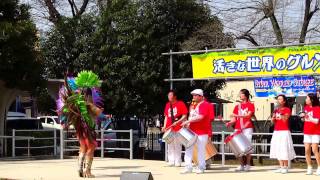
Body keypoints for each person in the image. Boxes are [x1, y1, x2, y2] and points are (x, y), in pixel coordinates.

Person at [57, 71, 109, 178]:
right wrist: (101, 111)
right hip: (89, 128)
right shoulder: (88, 104)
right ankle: (87, 171)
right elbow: (96, 112)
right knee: (91, 147)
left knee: (82, 147)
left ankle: (80, 168)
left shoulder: (79, 103)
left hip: (80, 128)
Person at [181, 89, 212, 174]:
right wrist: (187, 124)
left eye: (195, 95)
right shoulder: (194, 105)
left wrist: (188, 121)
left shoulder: (205, 104)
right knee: (188, 148)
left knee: (201, 150)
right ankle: (188, 167)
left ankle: (201, 167)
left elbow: (200, 117)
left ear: (200, 96)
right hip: (192, 131)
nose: (193, 97)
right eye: (193, 95)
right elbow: (192, 117)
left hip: (202, 131)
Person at [226, 89, 255, 172]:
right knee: (237, 147)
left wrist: (236, 115)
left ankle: (248, 165)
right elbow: (234, 119)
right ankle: (241, 165)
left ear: (245, 95)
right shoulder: (237, 106)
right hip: (238, 128)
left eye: (241, 94)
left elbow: (248, 116)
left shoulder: (250, 105)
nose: (239, 95)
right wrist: (230, 123)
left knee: (247, 147)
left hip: (247, 127)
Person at [270, 94, 296, 174]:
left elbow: (285, 119)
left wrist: (281, 115)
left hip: (284, 131)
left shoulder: (287, 109)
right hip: (277, 131)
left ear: (284, 101)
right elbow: (273, 122)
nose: (278, 100)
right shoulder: (276, 110)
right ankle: (281, 166)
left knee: (284, 148)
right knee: (277, 148)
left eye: (280, 99)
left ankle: (285, 166)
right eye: (278, 99)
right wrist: (273, 118)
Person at [162, 90, 188, 167]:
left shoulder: (181, 104)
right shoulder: (167, 105)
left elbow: (184, 115)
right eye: (168, 96)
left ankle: (178, 161)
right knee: (170, 144)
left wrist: (178, 122)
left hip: (178, 127)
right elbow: (166, 116)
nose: (169, 97)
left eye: (171, 95)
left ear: (175, 96)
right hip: (169, 128)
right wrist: (164, 126)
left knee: (177, 145)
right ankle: (171, 160)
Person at [299, 93, 320, 175]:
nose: (306, 100)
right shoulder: (306, 108)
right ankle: (309, 167)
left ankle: (319, 167)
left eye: (307, 98)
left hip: (315, 132)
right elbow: (305, 120)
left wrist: (308, 117)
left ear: (312, 99)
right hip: (307, 131)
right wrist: (303, 118)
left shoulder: (317, 108)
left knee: (314, 150)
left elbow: (316, 121)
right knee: (307, 150)